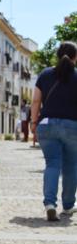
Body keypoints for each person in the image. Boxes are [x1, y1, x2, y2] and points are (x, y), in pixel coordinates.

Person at [30, 41, 77, 221]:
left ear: (57, 55)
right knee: (71, 166)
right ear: (75, 57)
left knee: (52, 164)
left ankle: (50, 203)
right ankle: (68, 205)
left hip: (47, 126)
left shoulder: (45, 74)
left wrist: (34, 122)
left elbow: (35, 101)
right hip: (72, 126)